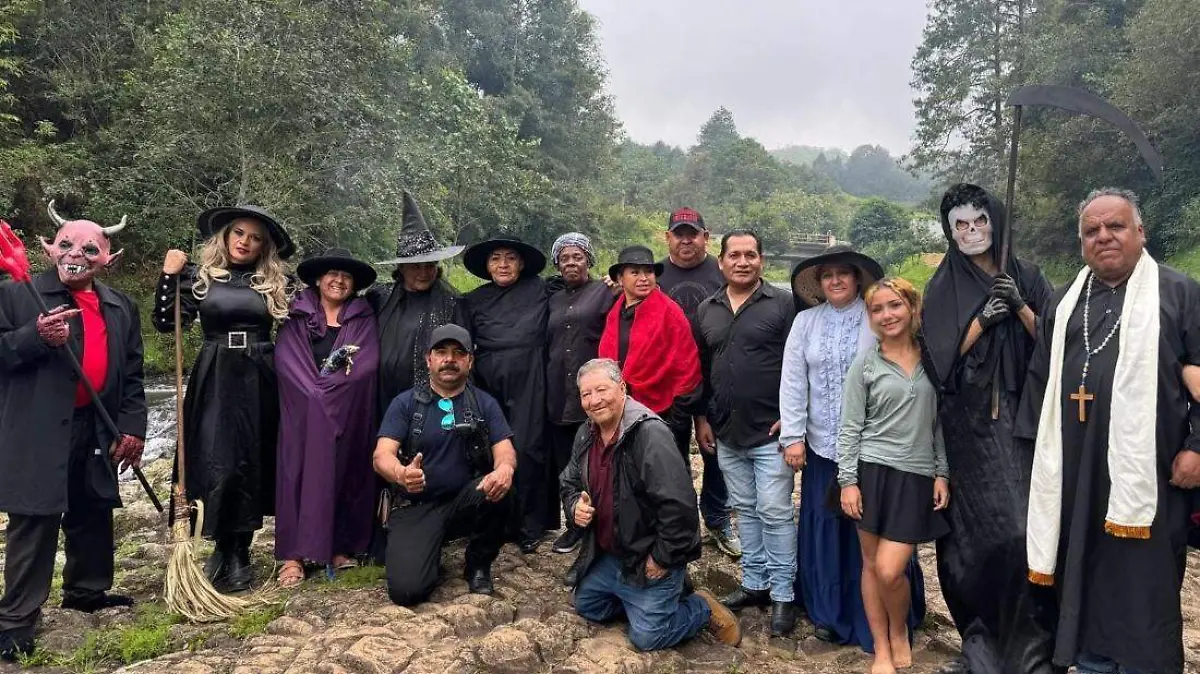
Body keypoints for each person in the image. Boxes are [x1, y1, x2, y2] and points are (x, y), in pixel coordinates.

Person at [1016, 189, 1200, 674]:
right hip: (1076, 473)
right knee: (1083, 569)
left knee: (1145, 579)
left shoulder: (1180, 293)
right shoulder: (1065, 301)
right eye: (1091, 231)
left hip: (1152, 472)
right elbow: (1040, 382)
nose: (1103, 237)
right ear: (1081, 244)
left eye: (1115, 226)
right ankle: (1091, 661)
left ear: (1140, 232)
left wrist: (1197, 447)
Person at [0, 203, 147, 662]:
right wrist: (35, 337)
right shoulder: (16, 295)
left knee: (92, 507)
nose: (75, 254)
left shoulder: (122, 306)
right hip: (39, 425)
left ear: (108, 258)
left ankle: (86, 591)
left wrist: (131, 428)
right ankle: (16, 619)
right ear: (48, 249)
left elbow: (134, 375)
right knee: (35, 516)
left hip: (98, 426)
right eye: (65, 245)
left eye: (89, 248)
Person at [921, 184, 1056, 674]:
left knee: (1022, 532)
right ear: (950, 231)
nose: (971, 232)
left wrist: (1019, 306)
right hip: (967, 427)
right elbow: (938, 363)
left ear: (994, 222)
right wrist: (981, 320)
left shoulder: (1029, 276)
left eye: (979, 222)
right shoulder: (943, 287)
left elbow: (1056, 344)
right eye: (961, 225)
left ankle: (1032, 645)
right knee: (972, 538)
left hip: (1023, 421)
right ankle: (978, 642)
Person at [780, 245, 927, 651]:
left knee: (876, 530)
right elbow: (793, 380)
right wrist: (793, 435)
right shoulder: (805, 323)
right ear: (819, 284)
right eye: (827, 275)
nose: (836, 281)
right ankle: (829, 612)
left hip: (878, 449)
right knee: (826, 527)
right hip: (824, 445)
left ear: (857, 279)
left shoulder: (877, 318)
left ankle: (888, 615)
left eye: (843, 273)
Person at [155, 204, 295, 592]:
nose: (245, 243)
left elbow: (309, 321)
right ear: (226, 236)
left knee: (251, 458)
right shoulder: (200, 278)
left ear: (263, 246)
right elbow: (167, 323)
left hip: (259, 374)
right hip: (215, 373)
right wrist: (169, 276)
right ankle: (220, 545)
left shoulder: (277, 281)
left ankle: (241, 551)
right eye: (239, 234)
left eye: (254, 238)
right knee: (217, 458)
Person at [561, 358, 741, 650]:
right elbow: (569, 482)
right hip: (613, 556)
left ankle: (700, 607)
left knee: (647, 637)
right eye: (586, 394)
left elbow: (680, 507)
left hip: (648, 558)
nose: (594, 401)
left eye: (601, 390)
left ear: (622, 388)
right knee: (586, 606)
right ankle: (641, 604)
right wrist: (573, 507)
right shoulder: (586, 432)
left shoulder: (649, 434)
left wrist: (662, 557)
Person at [838, 277, 950, 674]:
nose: (887, 315)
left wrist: (941, 472)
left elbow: (939, 423)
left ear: (912, 308)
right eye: (878, 309)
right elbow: (850, 427)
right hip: (870, 472)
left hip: (915, 476)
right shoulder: (866, 365)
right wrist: (847, 481)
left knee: (890, 569)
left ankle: (899, 629)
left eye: (894, 305)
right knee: (871, 566)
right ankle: (882, 648)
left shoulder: (932, 359)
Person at [692, 230, 798, 636]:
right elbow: (701, 368)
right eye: (734, 255)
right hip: (725, 432)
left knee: (775, 512)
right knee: (746, 510)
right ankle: (755, 583)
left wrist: (793, 417)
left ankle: (783, 594)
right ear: (721, 262)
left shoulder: (784, 304)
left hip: (771, 430)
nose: (742, 261)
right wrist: (701, 419)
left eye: (750, 255)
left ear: (761, 261)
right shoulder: (707, 309)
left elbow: (798, 362)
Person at [373, 324, 517, 604]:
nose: (449, 359)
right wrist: (401, 474)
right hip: (416, 506)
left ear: (469, 361)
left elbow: (506, 451)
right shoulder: (405, 404)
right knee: (407, 592)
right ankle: (425, 551)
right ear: (428, 359)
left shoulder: (484, 404)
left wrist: (504, 470)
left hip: (464, 501)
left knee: (501, 485)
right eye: (441, 352)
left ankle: (478, 564)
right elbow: (381, 456)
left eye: (458, 353)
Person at [274, 248, 380, 587]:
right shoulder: (296, 315)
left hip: (348, 412)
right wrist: (318, 395)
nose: (339, 280)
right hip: (303, 415)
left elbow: (366, 365)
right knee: (297, 476)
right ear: (319, 279)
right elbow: (287, 363)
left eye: (346, 277)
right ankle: (293, 556)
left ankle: (339, 546)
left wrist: (331, 394)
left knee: (346, 473)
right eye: (333, 274)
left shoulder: (362, 318)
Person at [656, 207, 738, 559]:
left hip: (716, 378)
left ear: (707, 237)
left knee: (715, 455)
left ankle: (718, 519)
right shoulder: (653, 274)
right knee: (669, 457)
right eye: (679, 233)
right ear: (668, 237)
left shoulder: (724, 272)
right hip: (667, 383)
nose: (686, 239)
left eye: (693, 233)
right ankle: (678, 522)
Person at [463, 237, 549, 553]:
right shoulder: (471, 300)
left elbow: (578, 290)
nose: (503, 264)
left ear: (521, 263)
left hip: (530, 374)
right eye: (496, 258)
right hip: (487, 376)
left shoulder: (541, 289)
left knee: (529, 446)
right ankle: (494, 521)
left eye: (510, 258)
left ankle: (530, 525)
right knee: (490, 448)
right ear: (486, 266)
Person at [545, 233, 616, 555]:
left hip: (594, 396)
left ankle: (603, 527)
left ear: (589, 259)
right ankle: (574, 524)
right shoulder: (552, 298)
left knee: (599, 463)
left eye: (577, 256)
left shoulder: (606, 291)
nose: (571, 262)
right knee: (567, 466)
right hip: (559, 392)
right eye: (564, 258)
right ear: (557, 264)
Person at [369, 191, 467, 412]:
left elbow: (464, 356)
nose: (424, 272)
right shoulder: (379, 298)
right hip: (382, 398)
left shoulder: (452, 303)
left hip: (433, 403)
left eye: (429, 265)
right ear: (401, 268)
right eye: (416, 266)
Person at [599, 245, 703, 439]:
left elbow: (687, 366)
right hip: (622, 410)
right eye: (635, 273)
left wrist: (677, 418)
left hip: (663, 412)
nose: (644, 278)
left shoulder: (669, 312)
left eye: (649, 272)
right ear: (621, 279)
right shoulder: (615, 313)